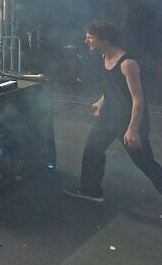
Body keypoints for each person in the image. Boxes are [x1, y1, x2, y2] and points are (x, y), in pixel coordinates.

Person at [65, 21, 162, 202]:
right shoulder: (105, 57)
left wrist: (133, 129)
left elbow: (138, 99)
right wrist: (101, 102)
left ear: (105, 40)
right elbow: (113, 88)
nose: (86, 40)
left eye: (90, 37)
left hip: (129, 121)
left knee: (145, 163)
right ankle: (91, 190)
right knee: (93, 148)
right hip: (109, 118)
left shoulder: (128, 64)